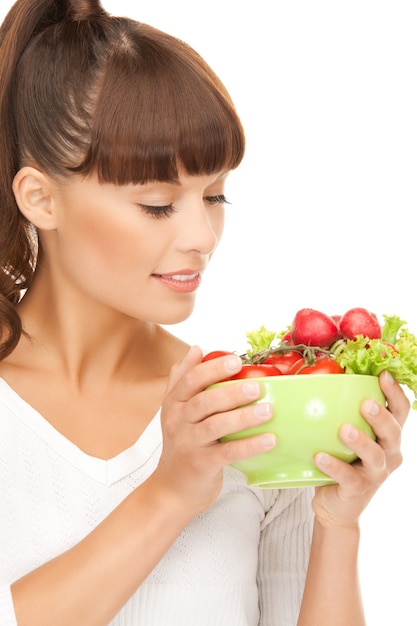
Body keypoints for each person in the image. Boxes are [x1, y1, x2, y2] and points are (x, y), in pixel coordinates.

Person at [0, 1, 409, 624]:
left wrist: (336, 523)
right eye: (159, 204)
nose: (203, 235)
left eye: (215, 195)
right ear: (40, 198)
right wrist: (169, 494)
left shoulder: (244, 412)